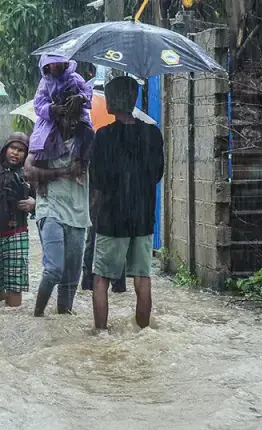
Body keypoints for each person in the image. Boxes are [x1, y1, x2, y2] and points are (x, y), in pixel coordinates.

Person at [89, 76, 165, 331]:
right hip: (143, 216)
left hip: (111, 217)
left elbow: (96, 181)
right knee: (142, 277)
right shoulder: (152, 134)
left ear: (112, 102)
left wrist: (94, 214)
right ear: (133, 101)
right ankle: (143, 332)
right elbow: (157, 174)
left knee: (101, 277)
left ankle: (100, 333)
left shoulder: (103, 136)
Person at [25, 91, 92, 317]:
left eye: (76, 116)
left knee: (71, 279)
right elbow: (28, 171)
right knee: (54, 269)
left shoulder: (87, 141)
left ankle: (62, 324)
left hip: (78, 212)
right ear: (58, 115)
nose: (72, 122)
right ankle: (37, 317)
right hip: (50, 208)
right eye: (67, 116)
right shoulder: (43, 138)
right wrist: (64, 171)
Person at [29, 55, 94, 196]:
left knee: (88, 133)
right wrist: (51, 109)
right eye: (52, 64)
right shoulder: (45, 83)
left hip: (75, 113)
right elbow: (38, 104)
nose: (55, 66)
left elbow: (87, 91)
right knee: (41, 142)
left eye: (59, 63)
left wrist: (80, 98)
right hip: (51, 119)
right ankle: (42, 183)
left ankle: (81, 163)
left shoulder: (75, 78)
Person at [0, 133, 35, 307]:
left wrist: (33, 203)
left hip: (17, 234)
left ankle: (12, 316)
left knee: (14, 285)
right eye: (13, 148)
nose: (16, 153)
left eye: (21, 150)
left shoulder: (29, 174)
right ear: (5, 149)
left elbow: (43, 198)